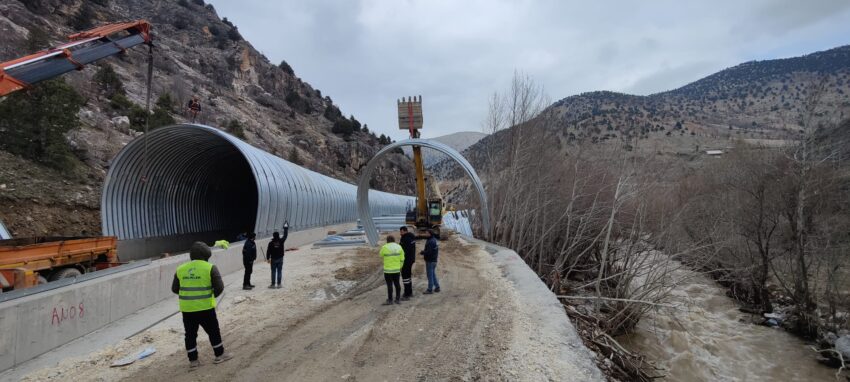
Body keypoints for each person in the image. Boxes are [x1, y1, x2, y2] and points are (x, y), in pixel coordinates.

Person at [171, 242, 232, 369]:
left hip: (187, 309)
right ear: (206, 255)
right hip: (206, 308)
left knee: (190, 334)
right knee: (213, 331)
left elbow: (175, 289)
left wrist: (188, 294)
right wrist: (210, 295)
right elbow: (219, 287)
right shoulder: (210, 267)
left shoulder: (180, 269)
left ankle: (193, 361)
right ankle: (219, 355)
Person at [380, 235, 404, 305]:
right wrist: (400, 267)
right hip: (396, 270)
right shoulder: (399, 247)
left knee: (389, 285)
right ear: (394, 240)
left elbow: (380, 255)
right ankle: (398, 299)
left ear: (387, 240)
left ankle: (390, 300)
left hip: (388, 270)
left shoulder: (384, 247)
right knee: (397, 284)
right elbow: (402, 258)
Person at [265, 223, 289, 288]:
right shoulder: (281, 241)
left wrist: (267, 258)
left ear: (273, 236)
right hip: (280, 258)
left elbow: (268, 251)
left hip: (273, 259)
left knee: (273, 272)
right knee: (279, 271)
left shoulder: (271, 243)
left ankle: (273, 285)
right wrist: (286, 228)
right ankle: (279, 284)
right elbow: (285, 236)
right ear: (278, 236)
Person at [399, 226, 417, 300]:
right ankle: (410, 292)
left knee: (405, 277)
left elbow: (404, 251)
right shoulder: (411, 237)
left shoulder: (405, 238)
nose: (400, 233)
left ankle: (407, 294)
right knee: (408, 277)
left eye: (401, 231)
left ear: (404, 231)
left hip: (406, 260)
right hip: (411, 260)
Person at [422, 229, 440, 294]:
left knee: (430, 275)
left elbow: (429, 252)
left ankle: (430, 289)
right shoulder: (434, 240)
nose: (425, 234)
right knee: (432, 274)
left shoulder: (431, 241)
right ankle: (437, 287)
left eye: (427, 233)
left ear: (430, 234)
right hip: (434, 260)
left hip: (430, 261)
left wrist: (422, 252)